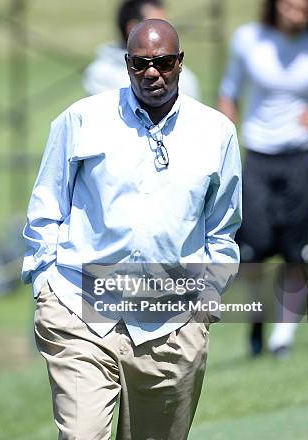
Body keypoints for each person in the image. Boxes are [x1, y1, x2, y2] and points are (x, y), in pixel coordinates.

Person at [23, 19, 241, 439]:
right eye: (140, 63)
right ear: (126, 64)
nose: (151, 73)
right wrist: (45, 284)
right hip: (79, 308)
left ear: (179, 62)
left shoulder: (216, 132)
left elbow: (222, 227)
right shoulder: (81, 119)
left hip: (172, 322)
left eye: (161, 62)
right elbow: (46, 204)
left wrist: (207, 301)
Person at [218, 0, 308, 357]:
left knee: (295, 251)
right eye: (289, 5)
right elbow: (229, 92)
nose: (295, 13)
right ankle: (256, 323)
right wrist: (223, 140)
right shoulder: (250, 40)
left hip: (300, 157)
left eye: (303, 8)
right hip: (257, 157)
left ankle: (282, 337)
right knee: (252, 249)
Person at [83, 0, 201, 100]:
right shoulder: (102, 74)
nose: (152, 73)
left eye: (164, 62)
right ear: (132, 28)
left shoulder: (185, 78)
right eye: (157, 23)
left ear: (180, 61)